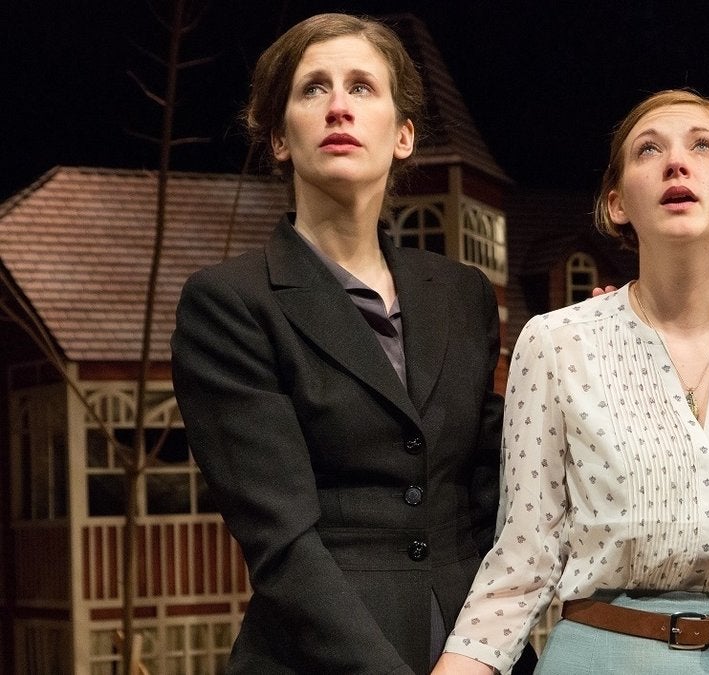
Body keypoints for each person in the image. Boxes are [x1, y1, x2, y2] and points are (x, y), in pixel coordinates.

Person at [171, 13, 533, 673]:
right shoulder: (231, 302)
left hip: (474, 649)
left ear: (403, 135)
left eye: (362, 87)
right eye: (314, 89)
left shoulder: (463, 293)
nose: (339, 106)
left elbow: (498, 492)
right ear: (279, 138)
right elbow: (282, 543)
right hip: (321, 653)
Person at [432, 89, 709, 675]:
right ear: (617, 203)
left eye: (703, 146)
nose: (677, 162)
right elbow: (525, 552)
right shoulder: (557, 343)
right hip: (601, 654)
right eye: (649, 149)